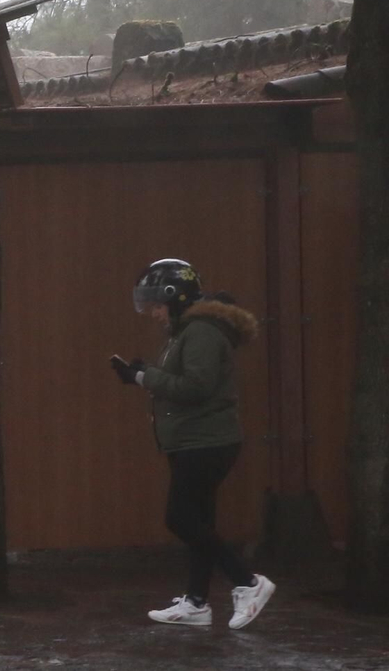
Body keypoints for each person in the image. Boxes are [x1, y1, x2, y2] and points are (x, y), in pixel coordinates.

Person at [111, 258, 276, 630]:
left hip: (205, 442)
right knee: (200, 521)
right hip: (193, 440)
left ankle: (249, 583)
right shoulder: (184, 330)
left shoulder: (200, 331)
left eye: (156, 304)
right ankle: (197, 603)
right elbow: (180, 379)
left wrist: (142, 376)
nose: (152, 312)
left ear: (176, 298)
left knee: (181, 518)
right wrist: (141, 374)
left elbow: (196, 388)